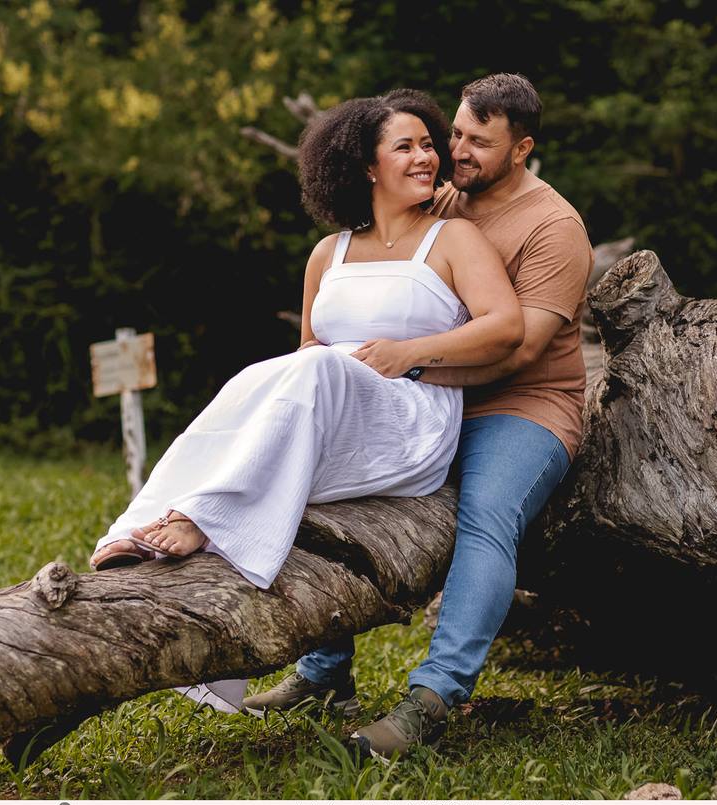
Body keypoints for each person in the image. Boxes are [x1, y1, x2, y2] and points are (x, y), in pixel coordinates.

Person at [87, 89, 524, 707]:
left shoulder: (452, 239)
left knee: (316, 368)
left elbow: (506, 326)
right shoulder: (329, 252)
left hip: (410, 419)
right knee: (256, 378)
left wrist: (410, 353)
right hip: (337, 420)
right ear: (366, 167)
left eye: (429, 144)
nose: (427, 157)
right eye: (405, 147)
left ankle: (199, 519)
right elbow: (307, 352)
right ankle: (141, 527)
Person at [243, 73, 595, 762]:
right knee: (320, 484)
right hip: (421, 398)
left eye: (478, 142)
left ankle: (432, 698)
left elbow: (517, 349)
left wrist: (403, 364)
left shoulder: (554, 229)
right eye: (454, 132)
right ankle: (324, 672)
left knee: (487, 517)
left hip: (522, 406)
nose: (455, 151)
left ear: (522, 149)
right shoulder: (441, 196)